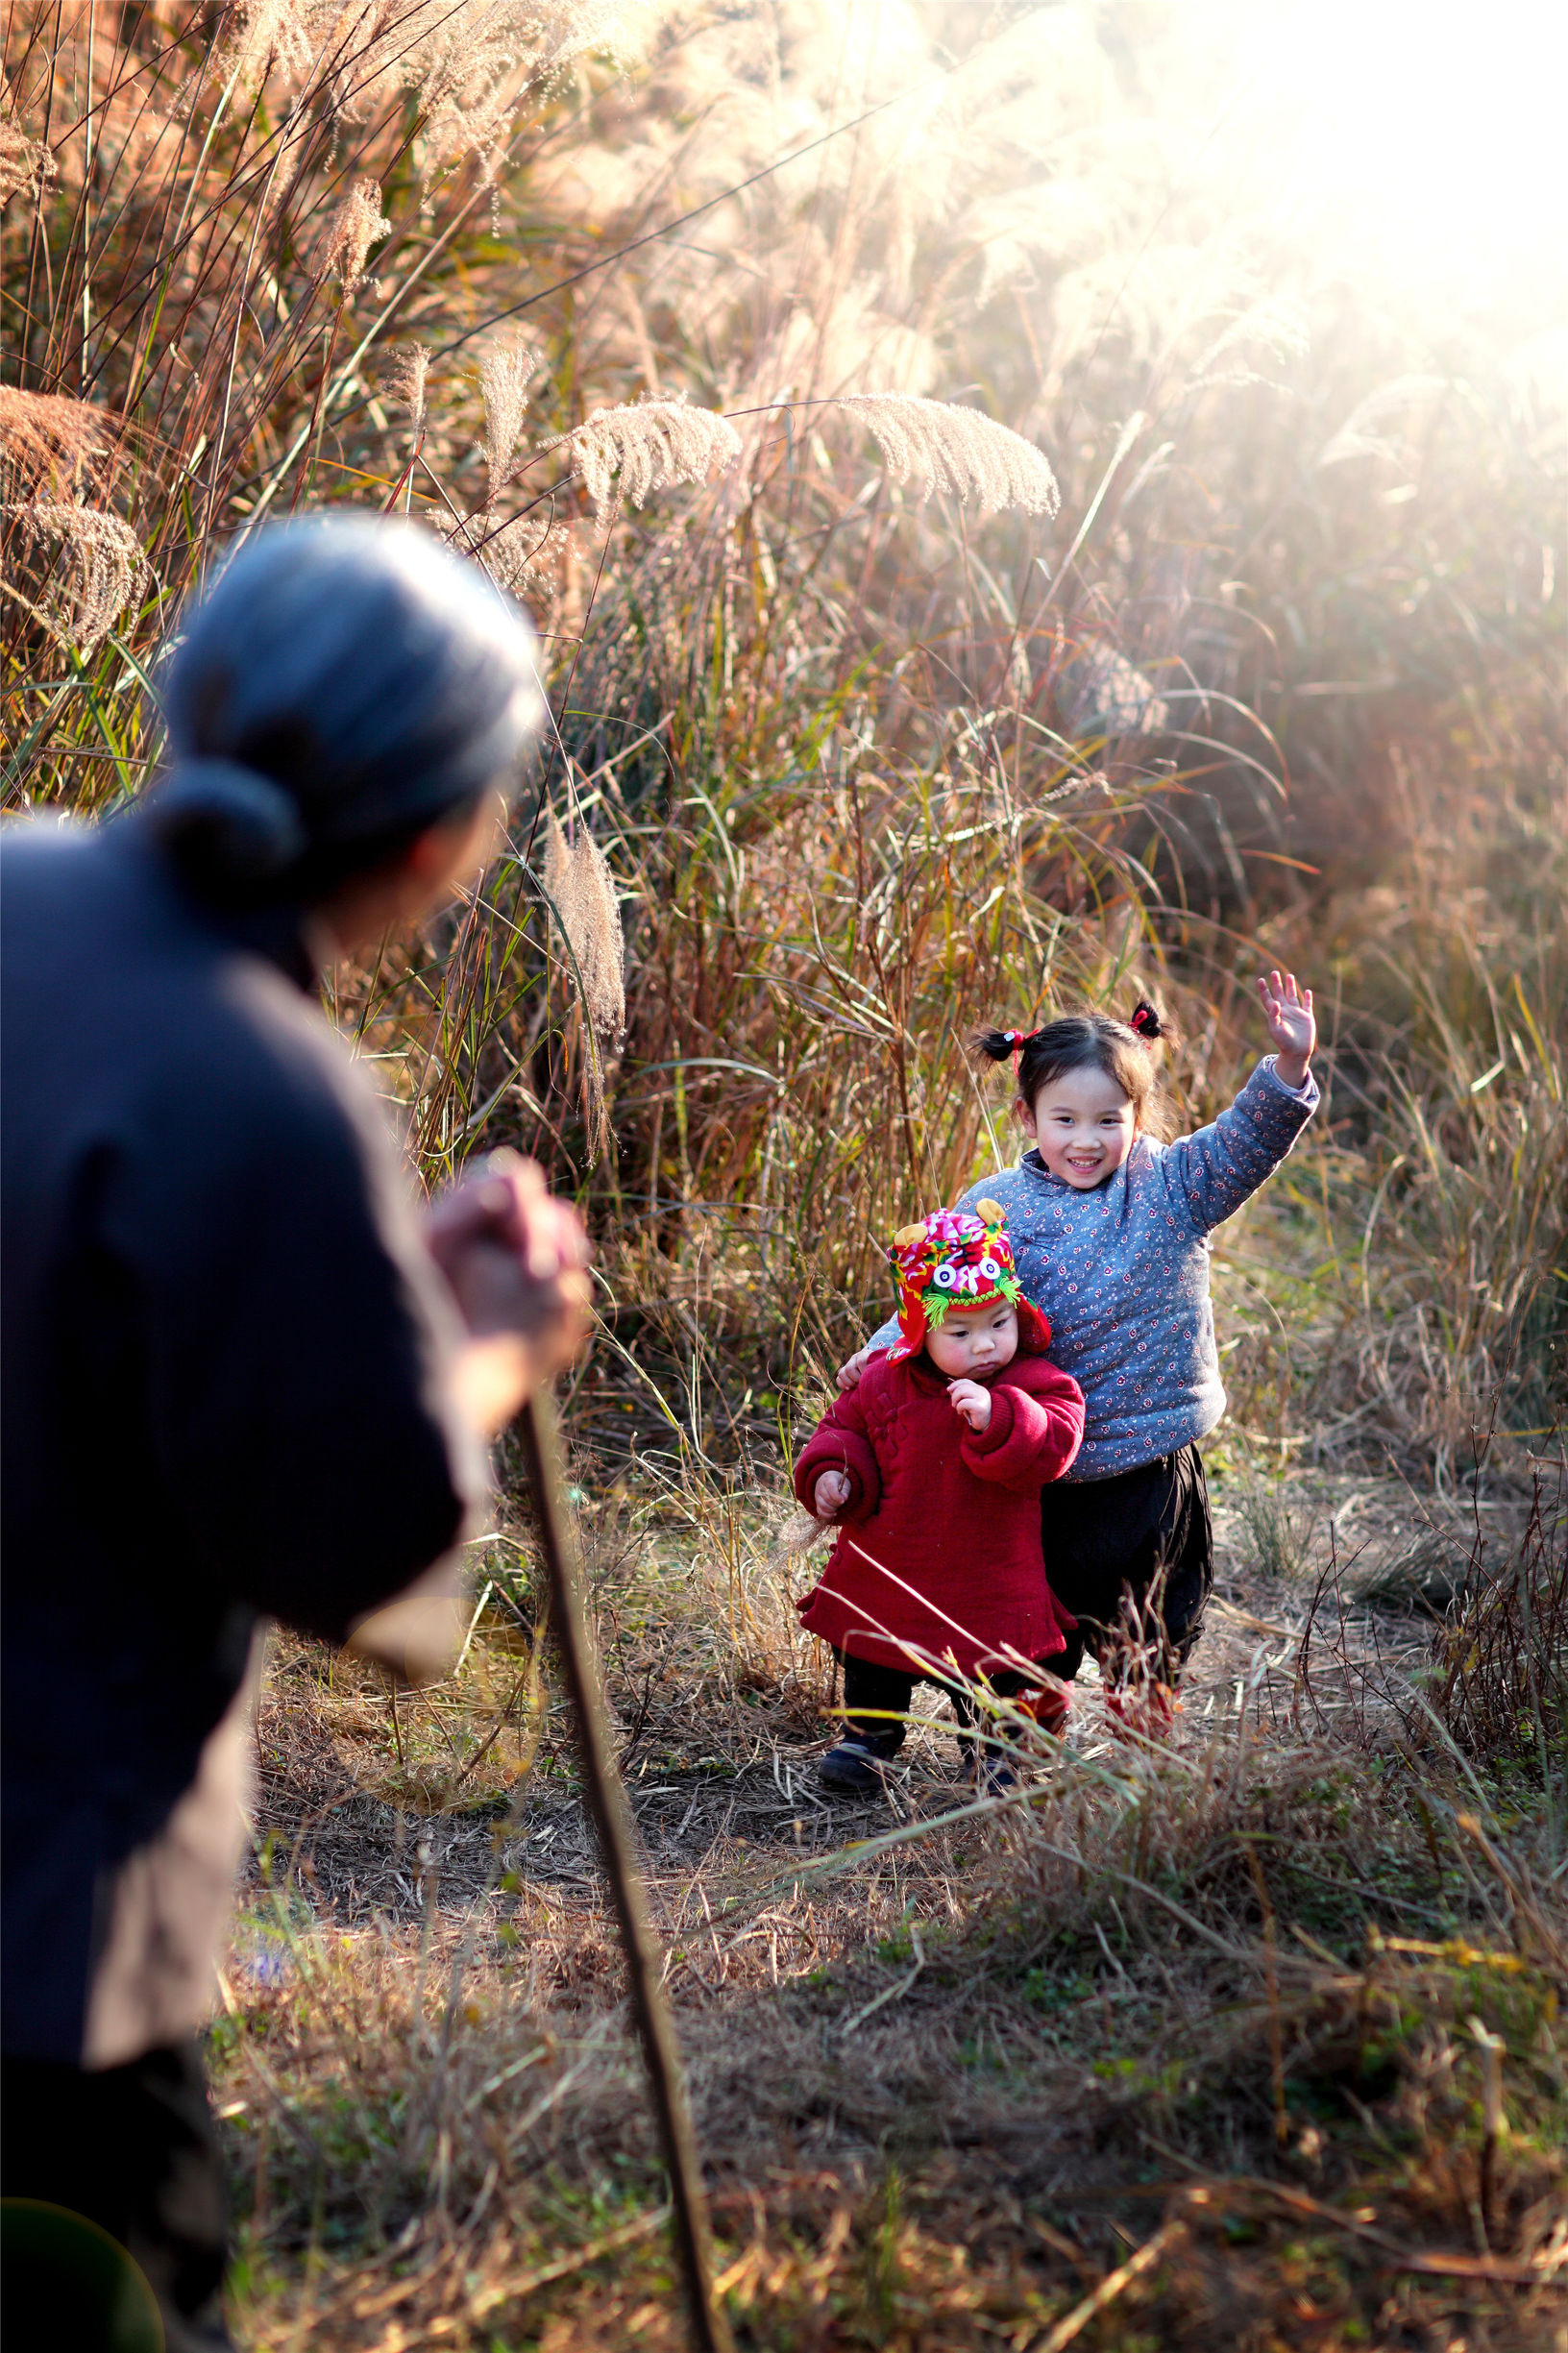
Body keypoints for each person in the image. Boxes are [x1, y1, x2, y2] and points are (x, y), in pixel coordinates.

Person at [0, 518, 593, 2352]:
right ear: (442, 843)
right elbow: (347, 1550)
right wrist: (487, 1348)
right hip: (39, 1953)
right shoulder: (272, 1082)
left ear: (188, 700)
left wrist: (357, 1282)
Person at [837, 978, 1320, 1731]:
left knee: (1155, 1629)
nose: (1086, 1139)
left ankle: (1144, 1744)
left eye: (1108, 1119)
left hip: (1150, 1468)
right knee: (1030, 1637)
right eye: (1064, 1119)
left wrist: (1288, 1068)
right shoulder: (998, 1206)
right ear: (1027, 1115)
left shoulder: (1171, 1186)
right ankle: (1013, 1752)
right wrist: (877, 1354)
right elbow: (934, 1295)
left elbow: (1245, 1142)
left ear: (1137, 1114)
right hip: (1035, 1472)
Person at [794, 1201, 1085, 1795]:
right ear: (919, 1331)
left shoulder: (1031, 1381)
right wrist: (832, 1473)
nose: (985, 1346)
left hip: (989, 1567)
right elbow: (841, 1430)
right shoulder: (882, 1380)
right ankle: (867, 1740)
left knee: (998, 1666)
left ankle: (996, 1754)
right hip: (894, 1559)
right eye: (961, 1332)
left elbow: (1058, 1439)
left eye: (999, 1324)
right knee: (873, 1647)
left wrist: (1001, 1417)